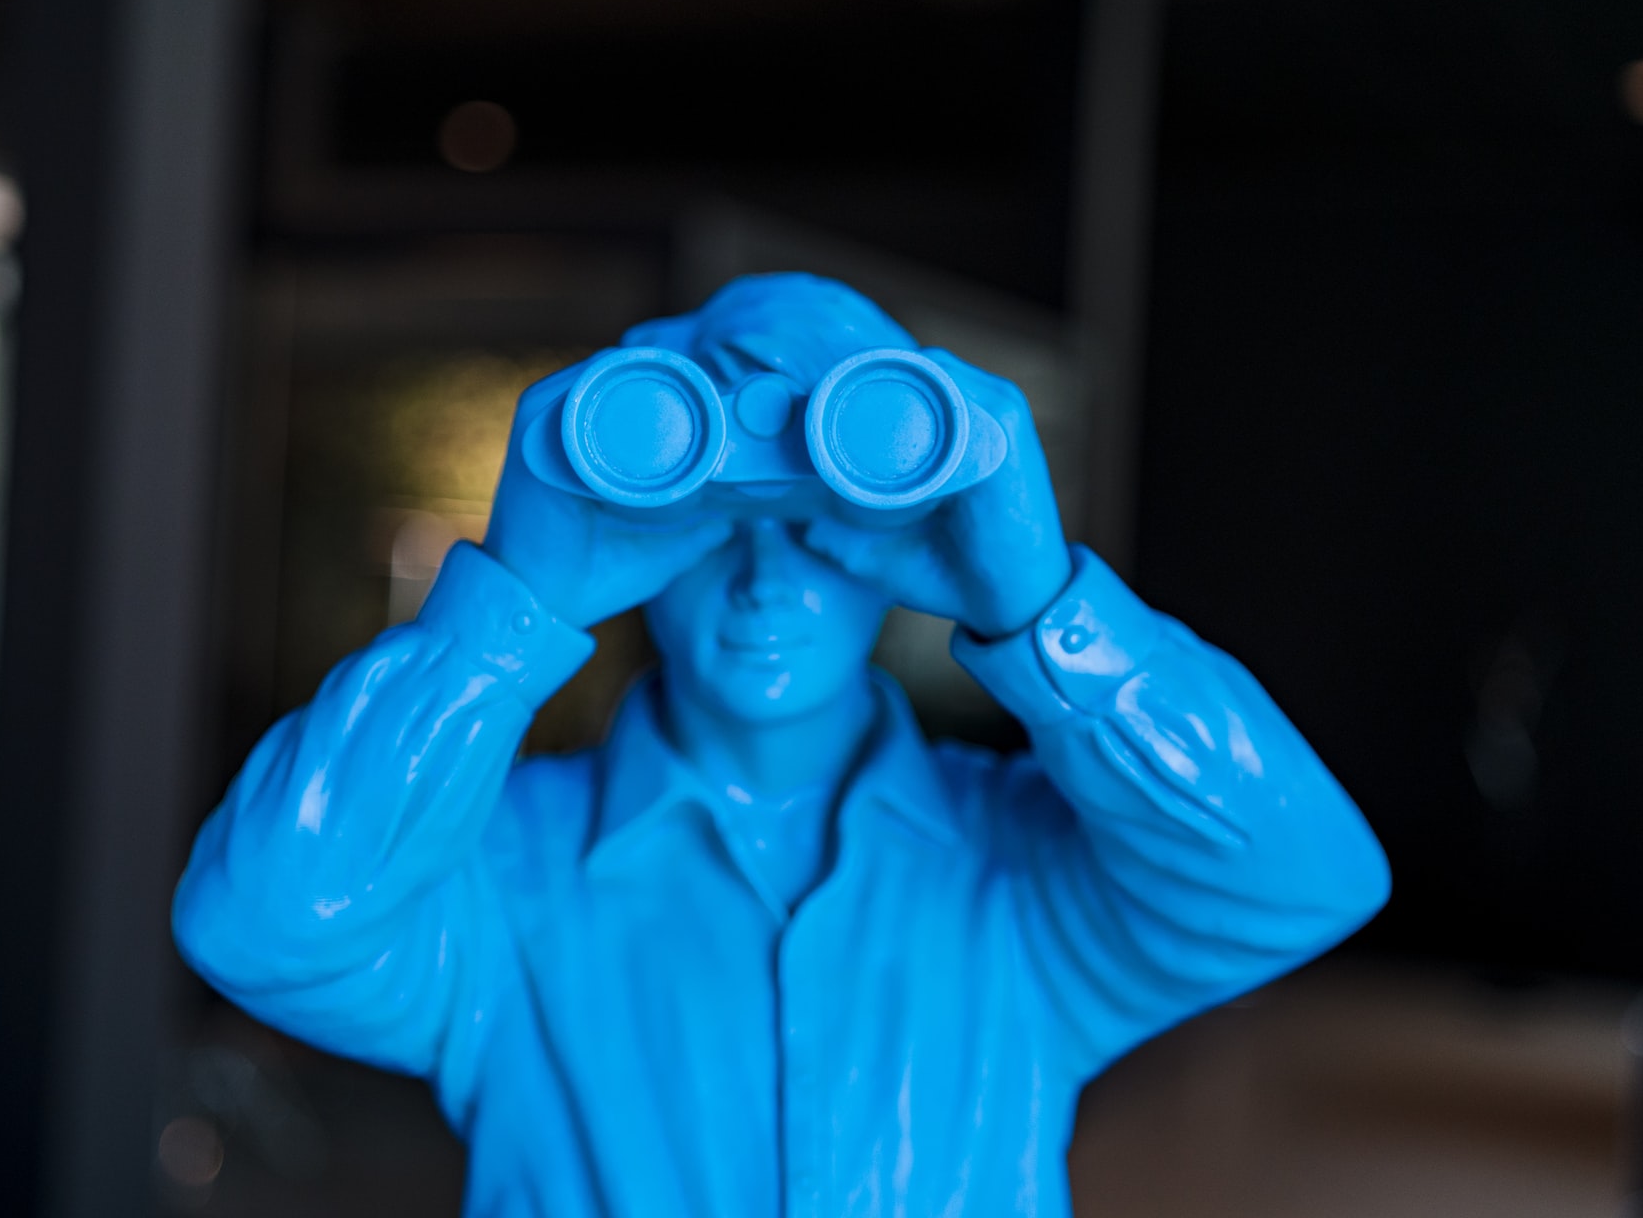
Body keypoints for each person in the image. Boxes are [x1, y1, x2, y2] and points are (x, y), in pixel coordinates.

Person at [173, 273, 1390, 1217]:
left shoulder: (1019, 884)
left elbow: (1306, 876)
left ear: (903, 529)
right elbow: (262, 920)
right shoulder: (500, 878)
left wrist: (1040, 602)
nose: (764, 573)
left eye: (822, 526)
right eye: (714, 524)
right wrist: (511, 601)